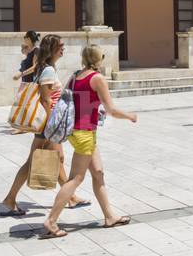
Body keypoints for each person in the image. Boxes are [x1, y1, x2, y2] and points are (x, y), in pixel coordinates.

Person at [41, 45, 137, 238]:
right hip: (84, 133)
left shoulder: (75, 76)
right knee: (76, 178)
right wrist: (130, 116)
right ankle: (51, 220)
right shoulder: (97, 78)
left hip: (77, 131)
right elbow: (111, 110)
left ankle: (109, 216)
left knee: (98, 173)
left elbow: (71, 101)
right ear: (98, 59)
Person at [0, 34, 88, 216]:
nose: (63, 48)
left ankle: (70, 197)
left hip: (48, 124)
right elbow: (46, 100)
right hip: (48, 124)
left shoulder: (47, 68)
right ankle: (10, 198)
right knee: (33, 161)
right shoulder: (48, 70)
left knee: (57, 158)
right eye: (61, 45)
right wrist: (51, 125)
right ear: (53, 49)